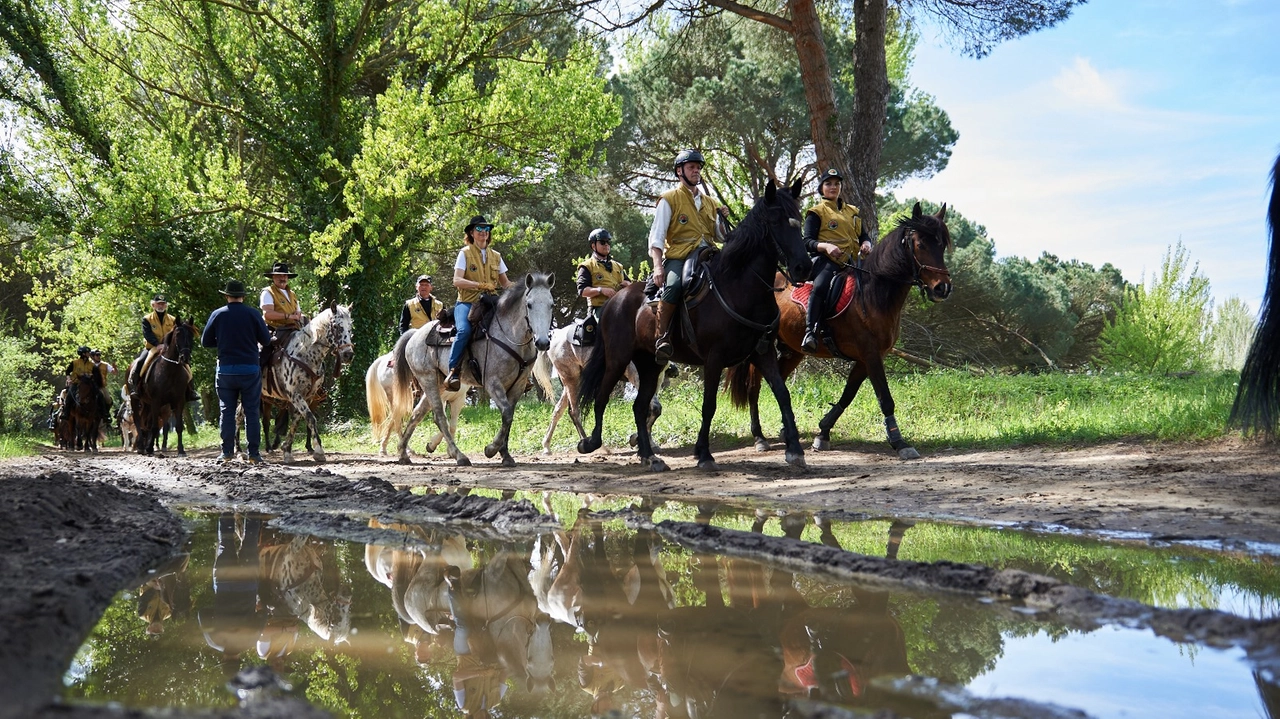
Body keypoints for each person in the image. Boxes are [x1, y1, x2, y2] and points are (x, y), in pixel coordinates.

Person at [647, 148, 730, 362]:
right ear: (679, 171)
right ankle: (662, 337)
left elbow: (720, 237)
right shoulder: (668, 199)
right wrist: (658, 266)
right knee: (674, 285)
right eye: (692, 167)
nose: (696, 171)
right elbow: (656, 238)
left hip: (710, 254)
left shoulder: (711, 203)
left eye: (698, 168)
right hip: (680, 256)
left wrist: (722, 220)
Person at [800, 168, 872, 352]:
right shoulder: (816, 212)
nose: (833, 187)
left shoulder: (853, 211)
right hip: (826, 261)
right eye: (828, 183)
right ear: (821, 188)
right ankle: (811, 331)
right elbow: (806, 241)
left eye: (837, 184)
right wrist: (826, 246)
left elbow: (864, 234)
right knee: (822, 285)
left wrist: (866, 243)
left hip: (853, 262)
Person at [201, 280, 272, 464]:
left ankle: (226, 453)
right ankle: (254, 454)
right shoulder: (253, 314)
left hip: (225, 370)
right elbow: (266, 340)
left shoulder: (217, 314)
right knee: (252, 412)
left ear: (226, 296)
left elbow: (205, 342)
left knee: (227, 411)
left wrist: (224, 342)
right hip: (249, 369)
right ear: (243, 296)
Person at [445, 215, 511, 391]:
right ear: (472, 233)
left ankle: (518, 373)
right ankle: (453, 371)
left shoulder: (496, 256)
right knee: (464, 330)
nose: (483, 233)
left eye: (486, 230)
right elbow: (457, 281)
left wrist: (527, 288)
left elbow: (506, 283)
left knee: (510, 327)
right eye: (479, 229)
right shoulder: (464, 253)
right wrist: (479, 285)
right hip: (467, 302)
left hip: (490, 301)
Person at [575, 228, 630, 346]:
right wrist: (601, 290)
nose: (607, 245)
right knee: (614, 330)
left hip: (621, 307)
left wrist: (629, 285)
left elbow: (629, 284)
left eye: (608, 242)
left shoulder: (618, 266)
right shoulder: (586, 266)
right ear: (593, 246)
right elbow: (583, 291)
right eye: (602, 242)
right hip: (600, 308)